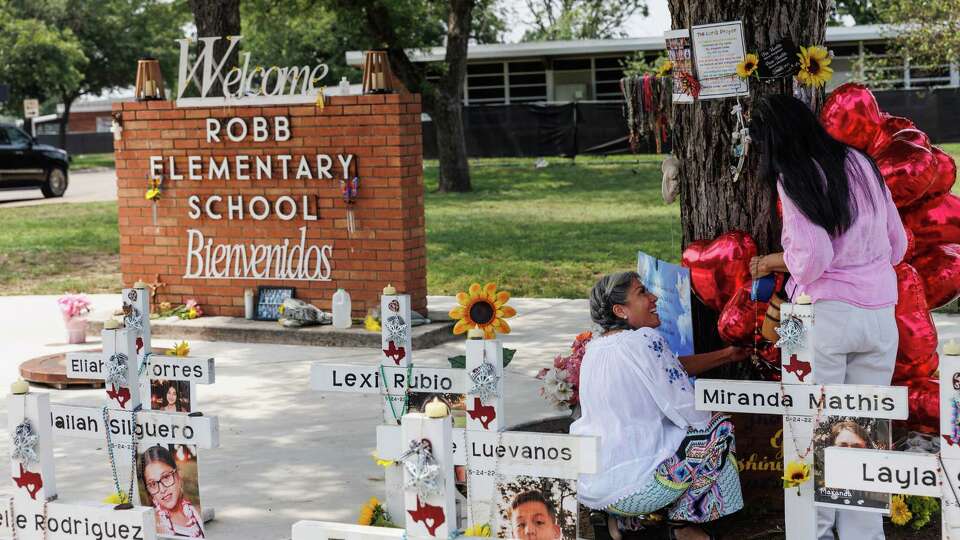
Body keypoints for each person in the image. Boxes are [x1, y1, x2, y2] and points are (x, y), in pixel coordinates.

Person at [748, 94, 906, 540]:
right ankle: (862, 534)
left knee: (809, 432)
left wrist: (784, 260)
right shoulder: (861, 162)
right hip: (879, 313)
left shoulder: (791, 174)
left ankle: (811, 532)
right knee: (863, 436)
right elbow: (898, 246)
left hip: (816, 316)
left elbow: (813, 258)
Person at [572, 271, 748, 540]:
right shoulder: (644, 340)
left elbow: (671, 367)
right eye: (642, 293)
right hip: (640, 490)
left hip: (594, 490)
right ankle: (684, 527)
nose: (654, 297)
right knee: (718, 428)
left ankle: (624, 523)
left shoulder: (595, 349)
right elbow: (688, 408)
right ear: (620, 310)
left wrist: (727, 355)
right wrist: (710, 421)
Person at [140, 445, 205, 538]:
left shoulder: (197, 512)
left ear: (178, 475)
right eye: (153, 484)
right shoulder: (154, 526)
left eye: (166, 477)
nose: (162, 490)